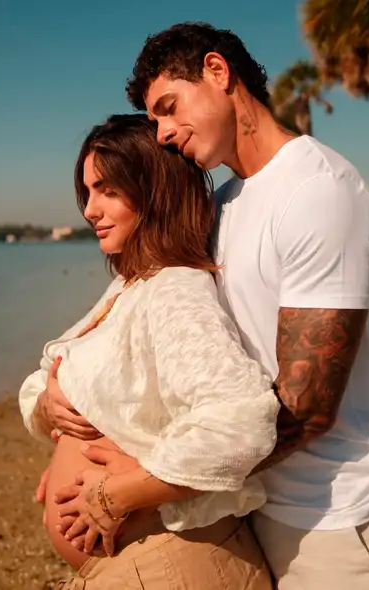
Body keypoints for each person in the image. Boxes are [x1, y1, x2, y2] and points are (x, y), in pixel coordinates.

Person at [77, 22, 369, 588]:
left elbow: (307, 407)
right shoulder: (226, 201)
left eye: (168, 107)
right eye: (154, 119)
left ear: (217, 71)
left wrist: (147, 478)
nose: (160, 133)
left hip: (338, 518)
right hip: (251, 503)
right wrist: (61, 388)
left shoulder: (320, 193)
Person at [19, 114, 279, 588]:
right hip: (144, 564)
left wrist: (118, 494)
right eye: (88, 192)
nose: (89, 210)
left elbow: (242, 421)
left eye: (108, 191)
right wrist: (47, 403)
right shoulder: (133, 284)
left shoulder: (176, 289)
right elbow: (64, 376)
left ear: (154, 192)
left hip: (173, 563)